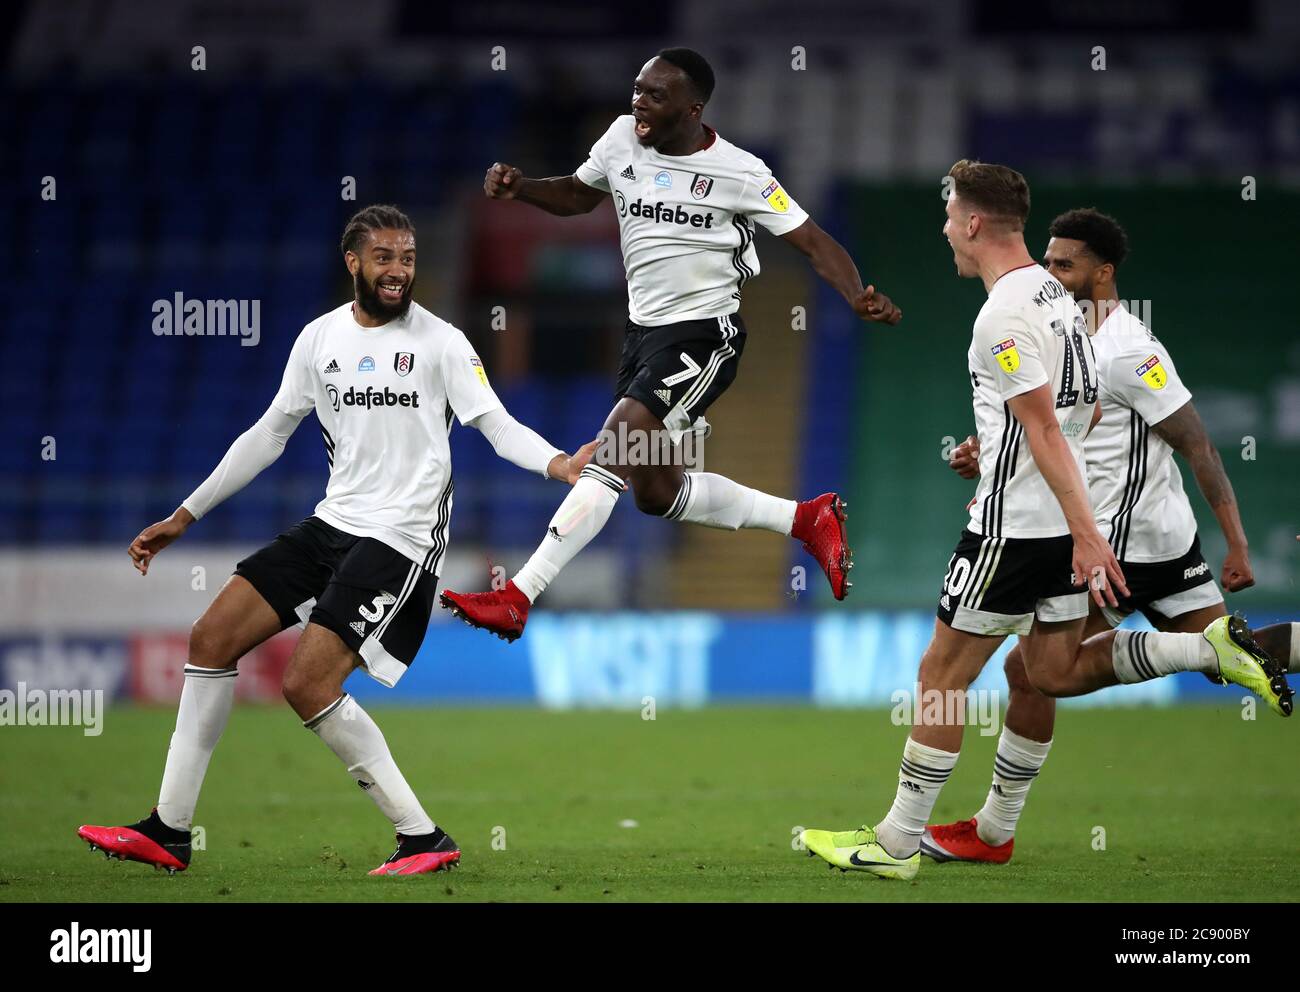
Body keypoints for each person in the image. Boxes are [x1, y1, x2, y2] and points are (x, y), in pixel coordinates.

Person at [798, 164, 1291, 881]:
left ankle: (897, 841)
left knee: (939, 674)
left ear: (972, 223)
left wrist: (1079, 524)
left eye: (949, 219)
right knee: (1050, 670)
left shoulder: (1003, 313)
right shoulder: (1059, 300)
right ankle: (1209, 651)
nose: (944, 233)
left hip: (1015, 531)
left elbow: (1049, 429)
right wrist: (1042, 483)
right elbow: (1082, 413)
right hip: (1060, 527)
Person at [77, 205, 596, 876]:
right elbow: (267, 434)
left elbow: (494, 423)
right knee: (210, 639)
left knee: (306, 682)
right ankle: (168, 830)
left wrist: (557, 463)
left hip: (402, 538)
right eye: (383, 257)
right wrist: (186, 514)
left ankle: (422, 838)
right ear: (353, 262)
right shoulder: (319, 339)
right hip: (333, 524)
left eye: (407, 258)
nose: (398, 271)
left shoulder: (441, 343)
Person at [440, 48, 901, 642]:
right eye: (637, 89)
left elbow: (812, 240)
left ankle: (518, 595)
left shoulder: (741, 172)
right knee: (655, 494)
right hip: (641, 336)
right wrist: (522, 187)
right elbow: (580, 196)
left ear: (692, 108)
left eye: (654, 95)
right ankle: (807, 518)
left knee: (614, 449)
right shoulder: (620, 140)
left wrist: (856, 292)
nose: (639, 102)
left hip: (705, 337)